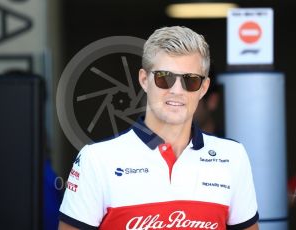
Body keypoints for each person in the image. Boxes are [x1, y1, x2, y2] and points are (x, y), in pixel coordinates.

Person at [58, 26, 259, 230]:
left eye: (190, 80)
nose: (176, 90)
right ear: (144, 80)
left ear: (204, 88)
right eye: (164, 77)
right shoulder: (96, 159)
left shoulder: (233, 156)